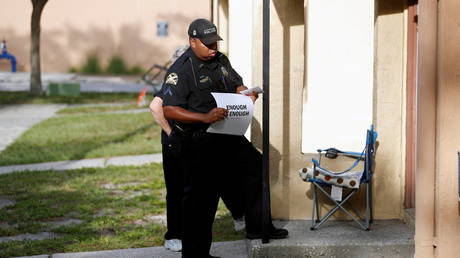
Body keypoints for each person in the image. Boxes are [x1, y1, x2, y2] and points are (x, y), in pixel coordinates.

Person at [161, 18, 288, 258]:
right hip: (198, 140)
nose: (212, 48)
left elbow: (235, 83)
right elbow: (169, 109)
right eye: (207, 44)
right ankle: (196, 254)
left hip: (226, 132)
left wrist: (246, 94)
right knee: (201, 199)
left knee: (255, 166)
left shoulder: (220, 59)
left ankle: (257, 227)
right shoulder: (181, 69)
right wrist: (204, 117)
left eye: (214, 43)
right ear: (192, 41)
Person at [149, 86, 246, 252]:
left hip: (200, 139)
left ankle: (239, 215)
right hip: (177, 141)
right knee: (177, 189)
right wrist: (171, 135)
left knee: (215, 179)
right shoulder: (178, 76)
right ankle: (173, 236)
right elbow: (155, 106)